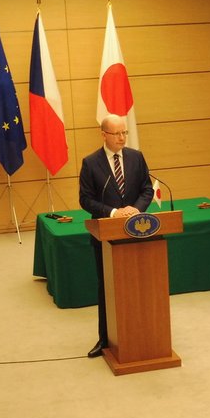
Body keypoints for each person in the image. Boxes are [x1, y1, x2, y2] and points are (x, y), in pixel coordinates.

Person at [78, 115, 154, 358]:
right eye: (117, 133)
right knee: (108, 288)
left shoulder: (136, 157)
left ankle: (141, 334)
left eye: (124, 133)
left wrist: (137, 209)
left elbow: (147, 189)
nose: (122, 137)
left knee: (139, 285)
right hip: (106, 235)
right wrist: (113, 212)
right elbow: (85, 199)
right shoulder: (90, 163)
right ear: (104, 135)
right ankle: (105, 339)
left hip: (137, 232)